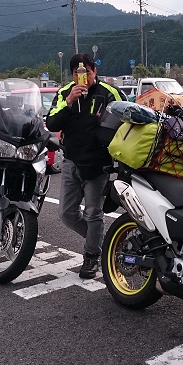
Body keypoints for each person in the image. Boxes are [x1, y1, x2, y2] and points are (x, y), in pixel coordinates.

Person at [46, 53, 126, 279]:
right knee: (66, 214)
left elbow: (128, 119)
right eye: (77, 73)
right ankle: (102, 241)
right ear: (72, 75)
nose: (83, 78)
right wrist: (69, 102)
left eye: (87, 73)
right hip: (71, 161)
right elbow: (52, 123)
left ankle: (92, 255)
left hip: (98, 163)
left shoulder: (109, 93)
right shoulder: (64, 93)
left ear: (94, 71)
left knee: (93, 213)